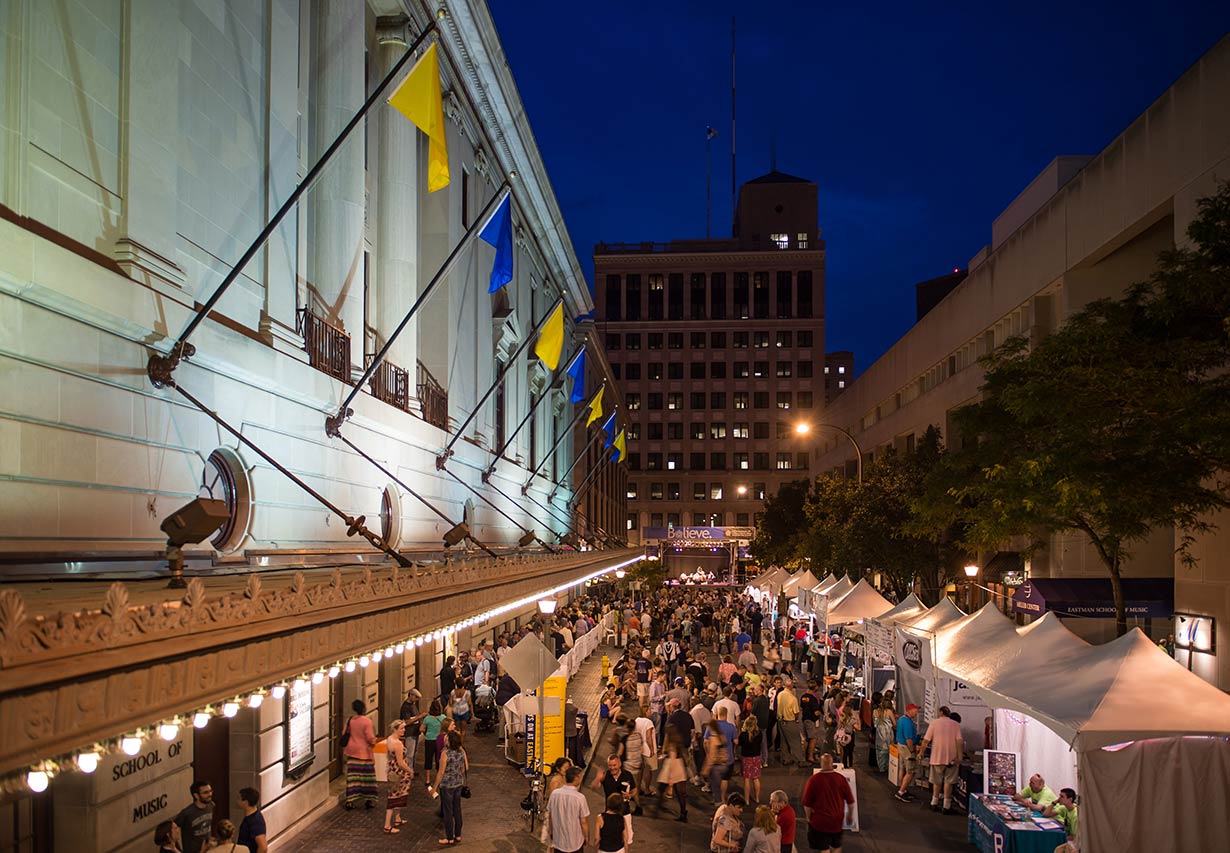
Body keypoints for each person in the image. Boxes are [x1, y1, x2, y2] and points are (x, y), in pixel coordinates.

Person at [801, 754, 854, 853]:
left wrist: (808, 818)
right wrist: (849, 816)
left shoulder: (813, 780)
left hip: (820, 822)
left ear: (821, 764)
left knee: (823, 848)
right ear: (832, 764)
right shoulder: (841, 779)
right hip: (837, 821)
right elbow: (850, 802)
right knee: (836, 845)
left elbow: (807, 804)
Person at [919, 706, 963, 814]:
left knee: (936, 782)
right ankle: (946, 805)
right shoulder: (956, 725)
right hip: (951, 758)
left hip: (937, 757)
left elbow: (926, 740)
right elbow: (959, 741)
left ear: (941, 712)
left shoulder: (934, 723)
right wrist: (960, 756)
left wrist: (921, 753)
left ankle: (934, 802)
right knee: (949, 782)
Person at [429, 730, 469, 845]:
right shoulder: (461, 751)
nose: (444, 739)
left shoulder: (445, 753)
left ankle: (449, 837)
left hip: (447, 786)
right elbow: (465, 767)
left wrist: (434, 788)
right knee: (457, 810)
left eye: (446, 738)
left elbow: (441, 773)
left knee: (448, 811)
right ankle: (458, 835)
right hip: (458, 784)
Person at [594, 753, 638, 843]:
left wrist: (629, 795)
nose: (612, 768)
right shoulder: (605, 775)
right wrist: (598, 779)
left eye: (614, 765)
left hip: (625, 811)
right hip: (609, 813)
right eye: (610, 765)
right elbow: (594, 787)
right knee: (610, 838)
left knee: (627, 838)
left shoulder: (627, 775)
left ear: (620, 764)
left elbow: (635, 789)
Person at [546, 765, 591, 853]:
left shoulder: (555, 794)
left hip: (558, 841)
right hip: (575, 843)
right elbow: (583, 822)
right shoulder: (580, 798)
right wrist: (586, 836)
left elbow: (550, 816)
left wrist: (551, 832)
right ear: (577, 778)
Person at [342, 700, 378, 809]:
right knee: (367, 777)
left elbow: (344, 733)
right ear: (364, 708)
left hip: (352, 751)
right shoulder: (367, 721)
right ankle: (369, 799)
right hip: (364, 753)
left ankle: (350, 800)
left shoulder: (350, 720)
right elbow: (370, 737)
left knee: (352, 777)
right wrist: (374, 741)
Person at [383, 719, 414, 834]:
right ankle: (387, 825)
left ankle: (397, 818)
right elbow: (401, 763)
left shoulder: (389, 739)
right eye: (401, 728)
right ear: (395, 729)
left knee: (398, 795)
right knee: (393, 798)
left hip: (391, 771)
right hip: (399, 773)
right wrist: (410, 770)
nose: (404, 730)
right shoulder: (398, 744)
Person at [655, 722, 690, 821]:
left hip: (672, 767)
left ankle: (657, 808)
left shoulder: (672, 744)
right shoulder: (678, 741)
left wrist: (671, 778)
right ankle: (683, 812)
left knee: (661, 788)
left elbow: (673, 758)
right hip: (680, 767)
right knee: (680, 793)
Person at [174, 780, 213, 853]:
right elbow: (172, 829)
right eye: (206, 792)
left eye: (210, 791)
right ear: (196, 795)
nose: (210, 794)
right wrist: (177, 849)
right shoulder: (187, 813)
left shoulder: (211, 805)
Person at [894, 704, 920, 802]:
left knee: (902, 768)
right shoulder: (908, 723)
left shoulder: (901, 719)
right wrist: (913, 750)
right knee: (910, 771)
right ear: (910, 710)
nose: (916, 712)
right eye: (915, 710)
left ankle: (903, 789)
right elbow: (909, 739)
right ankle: (901, 792)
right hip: (907, 748)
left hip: (900, 746)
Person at [776, 680, 803, 766]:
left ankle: (786, 759)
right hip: (789, 721)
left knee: (783, 741)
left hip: (780, 720)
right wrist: (796, 719)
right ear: (791, 686)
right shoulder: (793, 698)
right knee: (795, 741)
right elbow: (796, 712)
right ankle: (800, 760)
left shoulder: (780, 695)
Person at [739, 716, 765, 805]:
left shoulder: (743, 735)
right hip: (756, 758)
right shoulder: (759, 734)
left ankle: (746, 800)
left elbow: (740, 744)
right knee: (756, 778)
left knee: (747, 779)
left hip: (746, 758)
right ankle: (757, 798)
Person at [236, 787, 267, 853]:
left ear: (246, 802)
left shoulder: (255, 821)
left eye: (239, 798)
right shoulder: (250, 818)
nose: (237, 801)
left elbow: (263, 847)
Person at [422, 700, 448, 775]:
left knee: (428, 758)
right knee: (439, 758)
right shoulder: (443, 717)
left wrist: (426, 733)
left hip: (429, 740)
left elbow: (422, 729)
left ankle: (427, 779)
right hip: (440, 740)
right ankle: (439, 775)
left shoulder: (427, 718)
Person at [399, 688, 425, 766]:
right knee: (409, 754)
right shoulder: (405, 707)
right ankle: (408, 771)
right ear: (411, 695)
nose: (417, 700)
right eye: (416, 697)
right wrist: (419, 716)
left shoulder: (413, 705)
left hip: (415, 731)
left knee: (414, 752)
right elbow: (407, 721)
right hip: (410, 733)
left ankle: (411, 769)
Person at [873, 699, 895, 773]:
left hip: (879, 733)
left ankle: (881, 767)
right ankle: (889, 767)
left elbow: (874, 723)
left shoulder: (875, 711)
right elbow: (894, 723)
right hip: (888, 734)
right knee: (889, 749)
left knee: (880, 750)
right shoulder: (889, 712)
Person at [834, 703, 859, 768]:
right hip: (850, 736)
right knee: (850, 751)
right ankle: (850, 765)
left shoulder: (841, 718)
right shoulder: (851, 720)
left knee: (844, 751)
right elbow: (858, 728)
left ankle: (844, 764)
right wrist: (858, 719)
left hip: (842, 736)